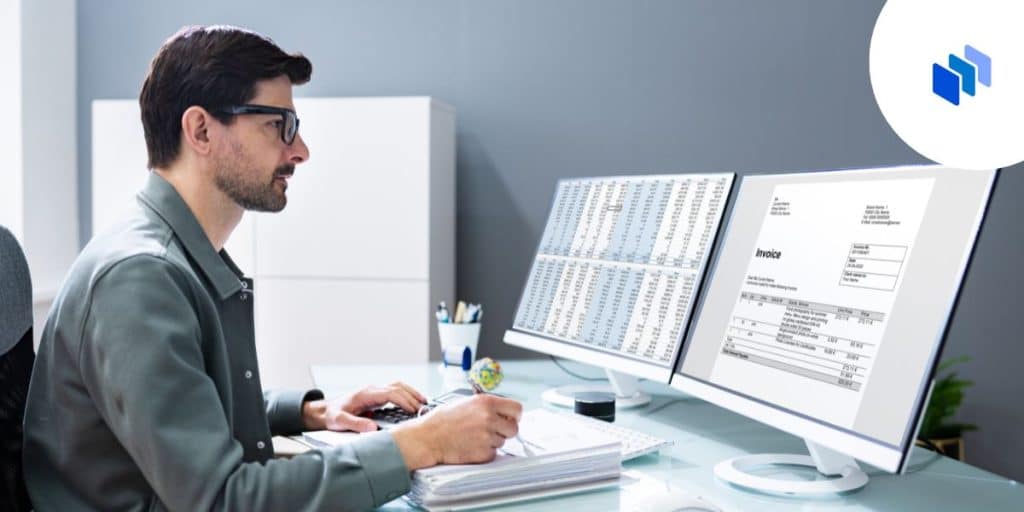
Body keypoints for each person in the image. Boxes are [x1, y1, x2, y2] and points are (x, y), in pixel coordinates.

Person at [23, 25, 522, 511]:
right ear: (200, 130)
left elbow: (187, 409)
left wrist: (312, 412)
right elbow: (223, 499)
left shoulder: (172, 256)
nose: (299, 150)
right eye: (278, 125)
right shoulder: (139, 279)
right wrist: (421, 443)